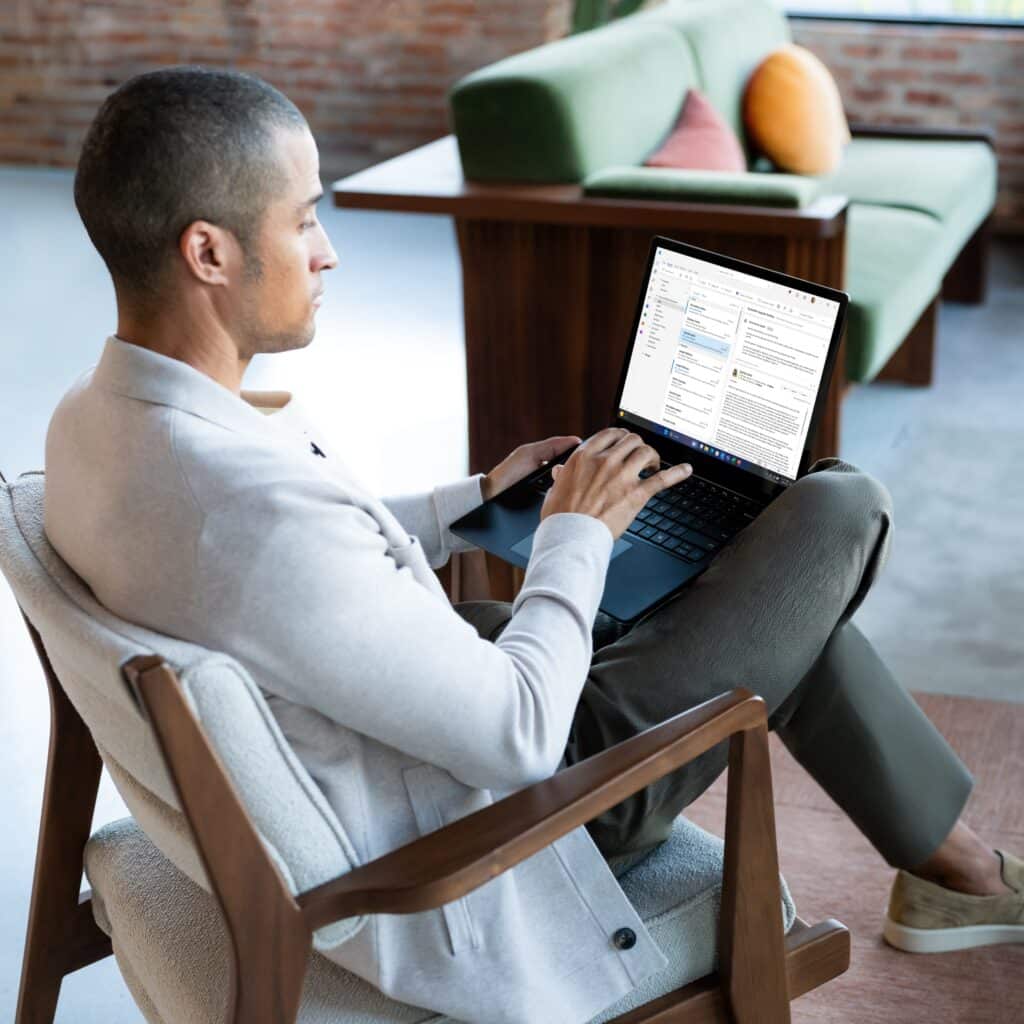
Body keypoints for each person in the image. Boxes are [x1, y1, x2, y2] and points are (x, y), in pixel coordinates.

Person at [44, 67, 1022, 1024]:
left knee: (757, 597)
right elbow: (513, 734)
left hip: (407, 729)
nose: (327, 251)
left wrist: (473, 498)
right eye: (302, 219)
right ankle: (964, 874)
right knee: (833, 505)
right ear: (208, 254)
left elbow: (299, 555)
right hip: (519, 826)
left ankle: (955, 870)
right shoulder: (248, 515)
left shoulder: (94, 425)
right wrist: (571, 533)